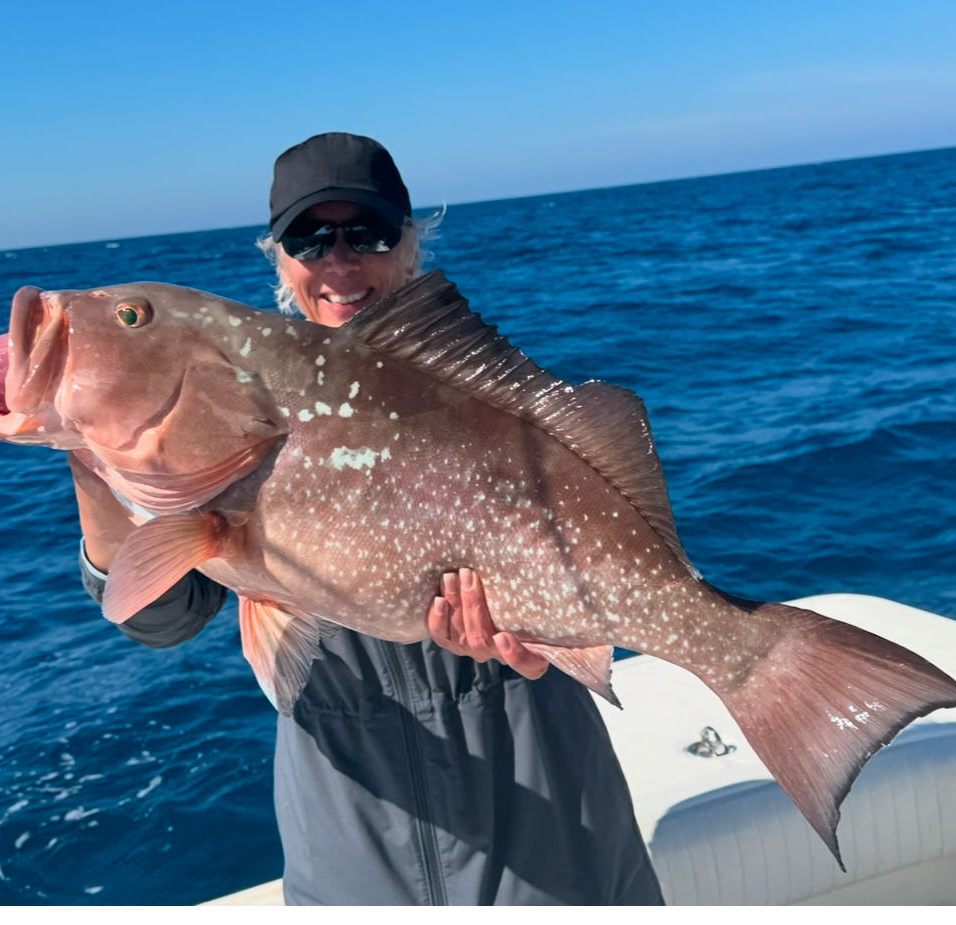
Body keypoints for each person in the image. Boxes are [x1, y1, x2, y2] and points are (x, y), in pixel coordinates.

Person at [70, 132, 664, 905]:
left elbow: (588, 564)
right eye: (308, 237)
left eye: (370, 233)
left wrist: (542, 644)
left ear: (412, 245)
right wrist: (86, 444)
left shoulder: (483, 399)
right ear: (277, 259)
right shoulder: (222, 404)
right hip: (351, 854)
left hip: (553, 833)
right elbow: (160, 616)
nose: (339, 260)